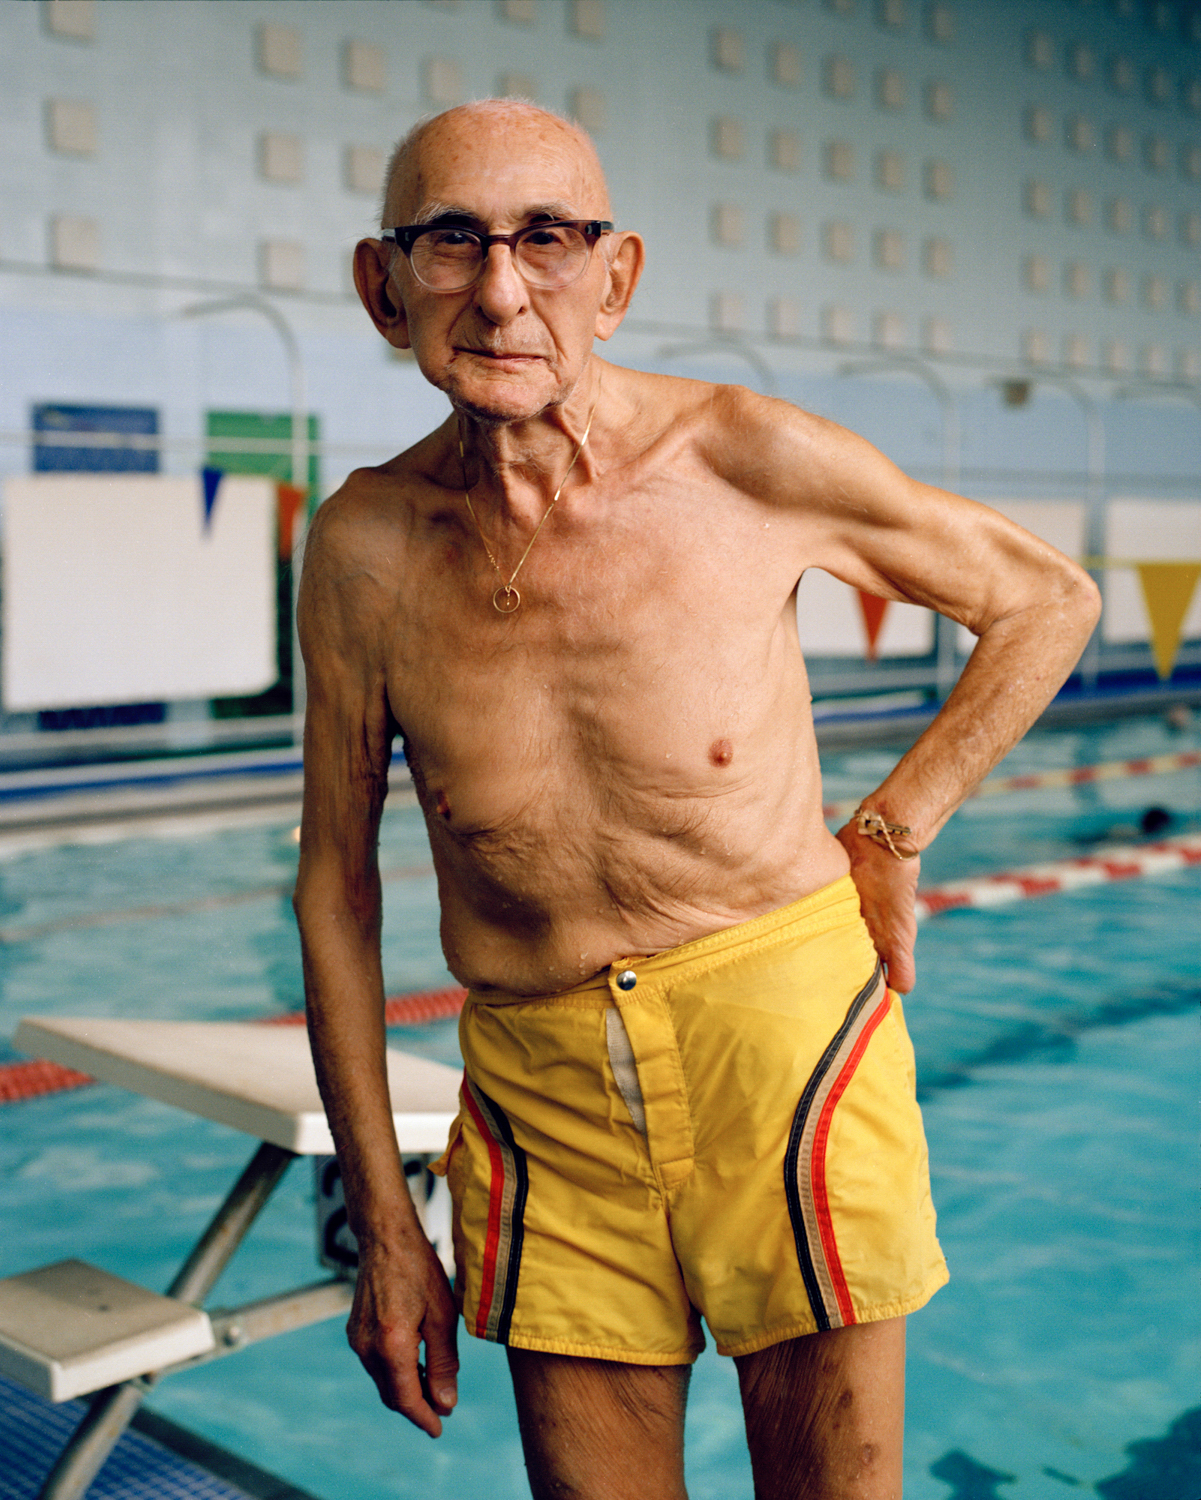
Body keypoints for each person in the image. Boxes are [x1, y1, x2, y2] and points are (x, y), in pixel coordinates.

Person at [294, 99, 1100, 1500]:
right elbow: (335, 887)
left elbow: (1042, 598)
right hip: (538, 1088)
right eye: (452, 243)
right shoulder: (362, 547)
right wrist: (384, 1220)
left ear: (616, 279)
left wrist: (893, 826)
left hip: (778, 1045)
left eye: (547, 240)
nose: (499, 289)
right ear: (383, 284)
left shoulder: (742, 459)